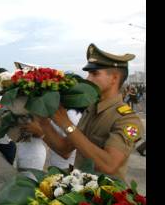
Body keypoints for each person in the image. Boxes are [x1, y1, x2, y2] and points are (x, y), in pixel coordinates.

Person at [25, 43, 144, 181]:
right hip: (79, 191)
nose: (88, 79)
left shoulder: (127, 119)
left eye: (95, 74)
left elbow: (109, 165)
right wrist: (43, 121)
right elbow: (64, 149)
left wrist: (66, 124)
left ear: (114, 78)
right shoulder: (91, 109)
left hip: (105, 197)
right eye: (88, 74)